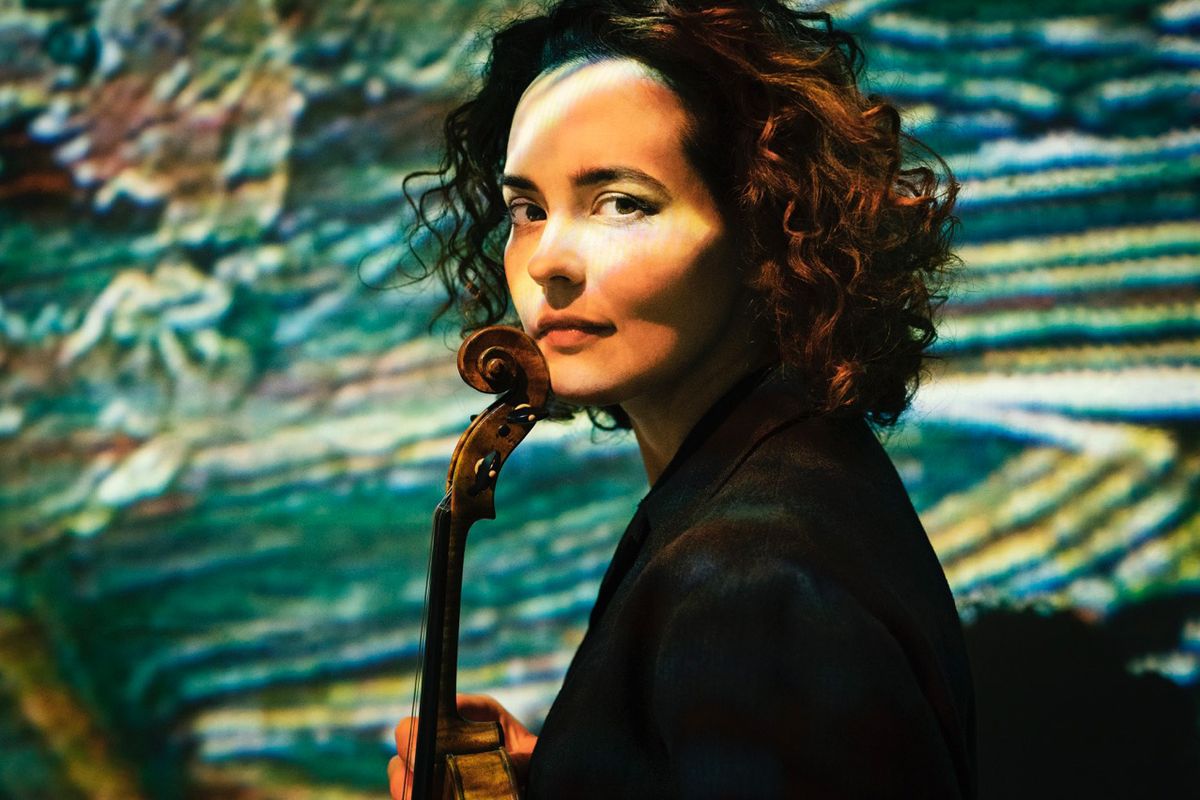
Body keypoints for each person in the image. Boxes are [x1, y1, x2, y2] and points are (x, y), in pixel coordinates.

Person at [389, 0, 975, 796]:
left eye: (622, 202)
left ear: (766, 225)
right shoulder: (767, 474)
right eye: (528, 209)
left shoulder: (750, 586)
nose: (548, 260)